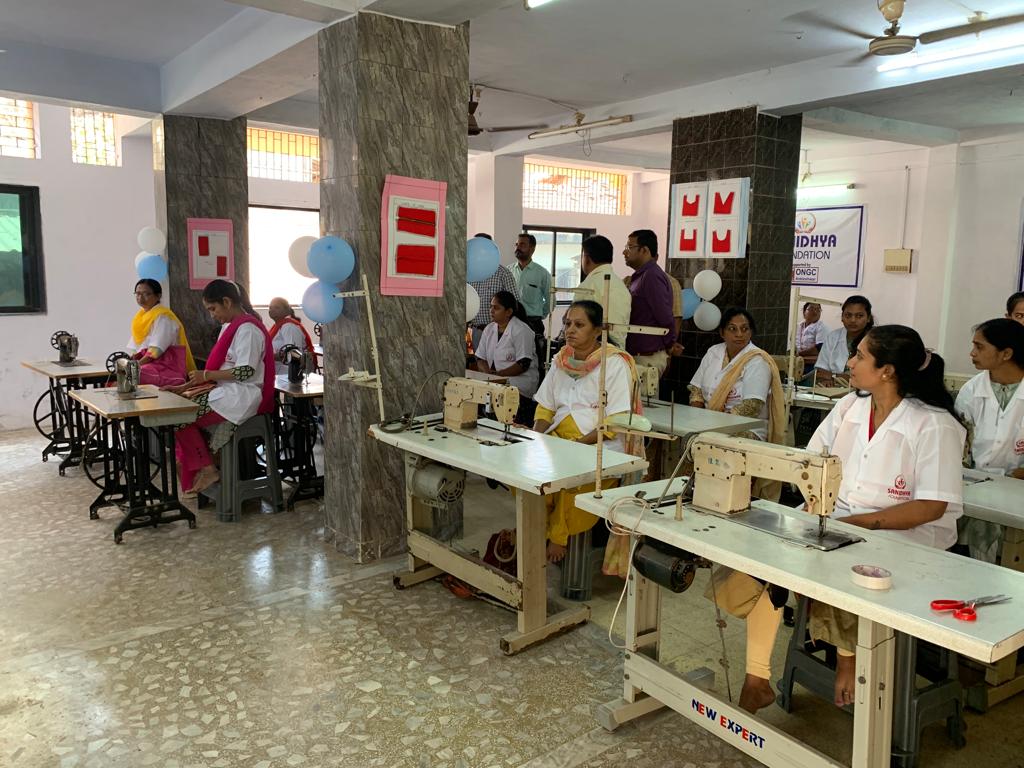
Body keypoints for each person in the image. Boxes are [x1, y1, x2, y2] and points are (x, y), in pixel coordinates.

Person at [728, 324, 966, 714]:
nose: (850, 363)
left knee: (839, 568)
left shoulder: (934, 424)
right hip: (841, 520)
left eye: (859, 356)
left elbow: (931, 507)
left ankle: (848, 660)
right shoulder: (851, 406)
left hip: (907, 539)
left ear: (886, 371)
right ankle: (757, 677)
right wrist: (815, 503)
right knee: (763, 557)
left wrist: (858, 524)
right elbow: (812, 460)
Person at [532, 300, 642, 563]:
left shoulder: (614, 364)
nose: (570, 330)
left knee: (569, 480)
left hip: (598, 443)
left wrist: (576, 446)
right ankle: (535, 527)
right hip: (559, 439)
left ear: (597, 330)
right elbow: (545, 408)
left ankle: (558, 535)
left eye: (579, 325)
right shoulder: (561, 360)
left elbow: (614, 422)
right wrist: (535, 438)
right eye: (567, 323)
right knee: (529, 476)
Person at [170, 280, 275, 494]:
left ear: (226, 302)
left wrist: (206, 375)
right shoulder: (229, 327)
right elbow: (220, 368)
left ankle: (208, 468)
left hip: (242, 395)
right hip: (226, 390)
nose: (212, 315)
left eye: (213, 309)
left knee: (180, 417)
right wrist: (185, 387)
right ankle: (205, 465)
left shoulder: (248, 330)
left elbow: (245, 371)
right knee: (177, 412)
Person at [954, 318, 1024, 561]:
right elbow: (959, 443)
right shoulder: (972, 391)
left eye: (980, 347)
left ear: (1006, 353)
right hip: (975, 487)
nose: (972, 353)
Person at [687, 308, 785, 444]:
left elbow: (752, 406)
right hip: (709, 422)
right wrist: (695, 418)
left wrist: (713, 424)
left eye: (745, 329)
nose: (739, 334)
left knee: (712, 441)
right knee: (686, 437)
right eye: (732, 329)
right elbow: (696, 391)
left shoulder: (758, 360)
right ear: (722, 332)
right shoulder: (713, 352)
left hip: (747, 427)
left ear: (751, 332)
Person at [475, 291, 539, 423]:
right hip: (497, 382)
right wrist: (489, 375)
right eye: (491, 306)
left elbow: (523, 364)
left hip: (520, 384)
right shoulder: (489, 329)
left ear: (508, 312)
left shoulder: (521, 330)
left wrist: (499, 376)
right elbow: (480, 358)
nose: (491, 310)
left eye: (496, 308)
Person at [622, 230, 675, 374]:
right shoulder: (641, 276)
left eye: (629, 247)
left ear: (644, 250)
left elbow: (665, 316)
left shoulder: (652, 276)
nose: (624, 252)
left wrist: (670, 345)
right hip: (638, 355)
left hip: (647, 357)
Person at [126, 279, 196, 387]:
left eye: (146, 294)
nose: (140, 297)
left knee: (135, 375)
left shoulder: (164, 317)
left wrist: (135, 366)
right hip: (150, 365)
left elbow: (155, 351)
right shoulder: (140, 317)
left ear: (158, 296)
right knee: (124, 374)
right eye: (138, 293)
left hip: (168, 367)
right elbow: (138, 349)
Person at [577, 235, 631, 347]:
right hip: (618, 351)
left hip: (593, 351)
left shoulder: (587, 285)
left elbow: (576, 324)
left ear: (587, 258)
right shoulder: (621, 285)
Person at [469, 235, 520, 350]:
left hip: (498, 332)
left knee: (497, 360)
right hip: (476, 331)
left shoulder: (503, 274)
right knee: (479, 360)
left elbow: (515, 304)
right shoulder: (468, 273)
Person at [815, 295, 873, 386]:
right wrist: (827, 380)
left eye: (859, 316)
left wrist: (833, 376)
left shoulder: (875, 340)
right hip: (832, 390)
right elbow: (820, 372)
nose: (853, 320)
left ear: (868, 318)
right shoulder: (833, 337)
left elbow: (869, 375)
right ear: (842, 317)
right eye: (848, 315)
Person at [508, 233, 551, 335]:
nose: (517, 248)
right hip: (511, 321)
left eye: (522, 244)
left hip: (533, 323)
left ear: (532, 249)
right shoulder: (508, 271)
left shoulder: (542, 273)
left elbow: (551, 299)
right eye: (516, 244)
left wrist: (540, 315)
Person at [268, 297, 316, 376]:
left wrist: (268, 356)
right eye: (270, 307)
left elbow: (293, 354)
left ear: (286, 310)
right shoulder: (278, 325)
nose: (271, 310)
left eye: (277, 307)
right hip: (281, 373)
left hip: (293, 374)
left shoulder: (290, 327)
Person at [795, 302, 828, 374]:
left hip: (812, 365)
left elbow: (818, 349)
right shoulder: (798, 326)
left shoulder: (821, 327)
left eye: (818, 310)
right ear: (804, 312)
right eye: (811, 309)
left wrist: (799, 354)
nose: (815, 312)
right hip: (796, 363)